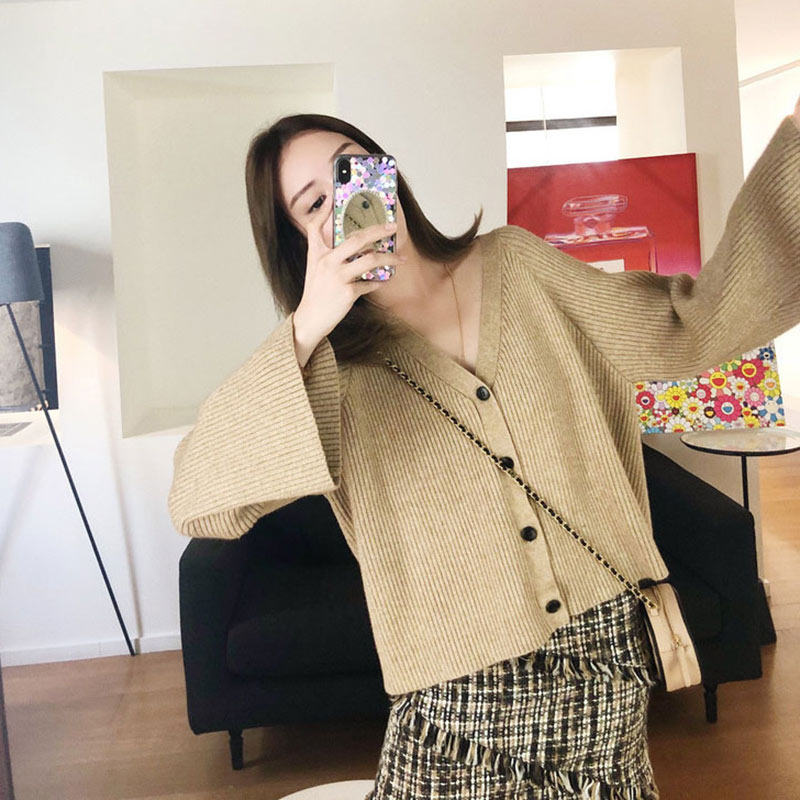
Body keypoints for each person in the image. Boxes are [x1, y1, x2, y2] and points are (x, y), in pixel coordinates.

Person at [168, 100, 800, 799]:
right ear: (296, 244)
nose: (346, 199)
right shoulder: (323, 369)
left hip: (603, 660)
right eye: (315, 202)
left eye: (352, 167)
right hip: (450, 695)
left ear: (387, 173)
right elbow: (202, 502)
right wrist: (307, 325)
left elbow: (690, 328)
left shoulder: (516, 265)